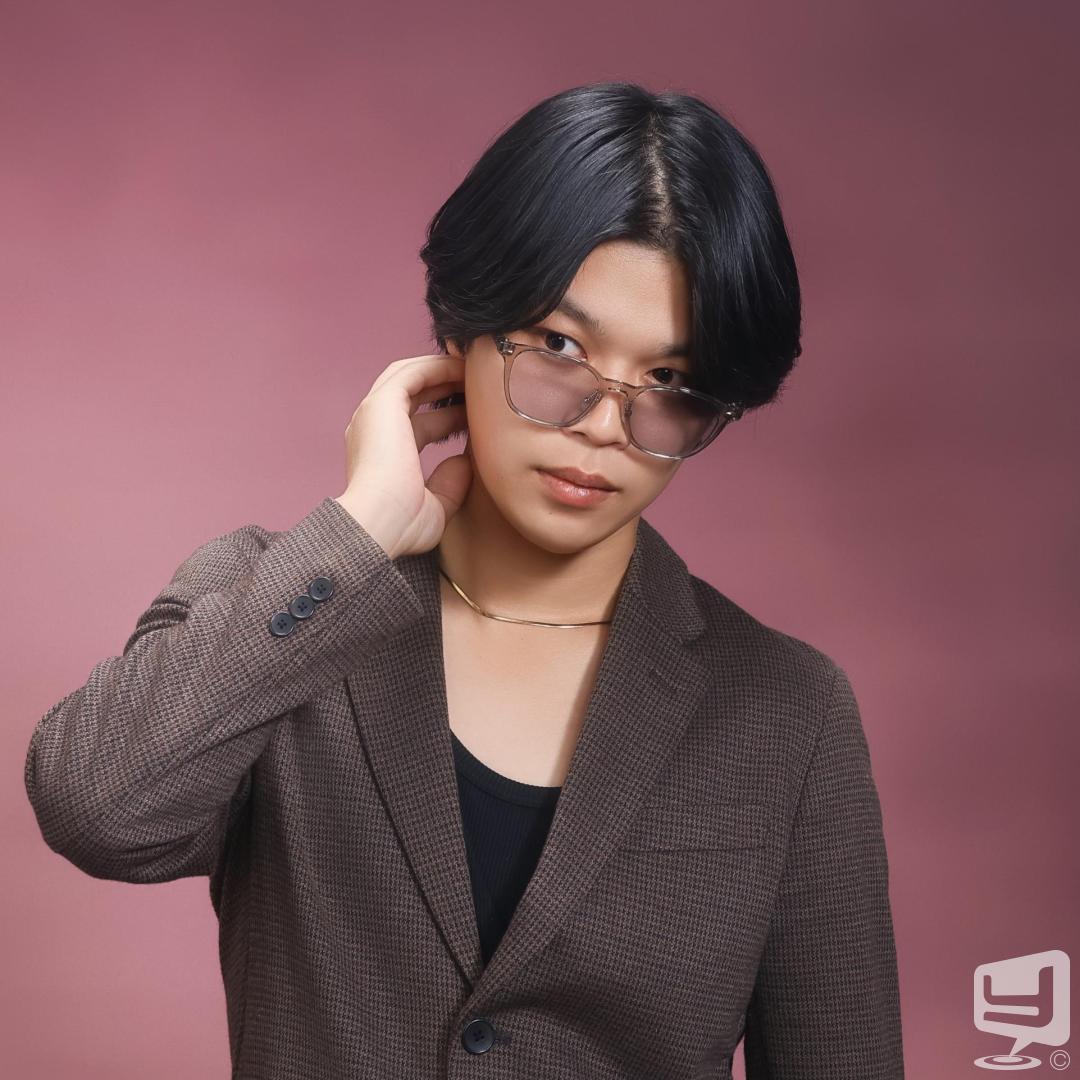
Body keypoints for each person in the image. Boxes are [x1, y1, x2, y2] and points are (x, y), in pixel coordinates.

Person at [24, 81, 904, 1078]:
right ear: (460, 337)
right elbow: (94, 810)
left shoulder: (787, 712)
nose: (604, 428)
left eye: (668, 383)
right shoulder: (279, 607)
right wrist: (359, 536)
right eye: (560, 349)